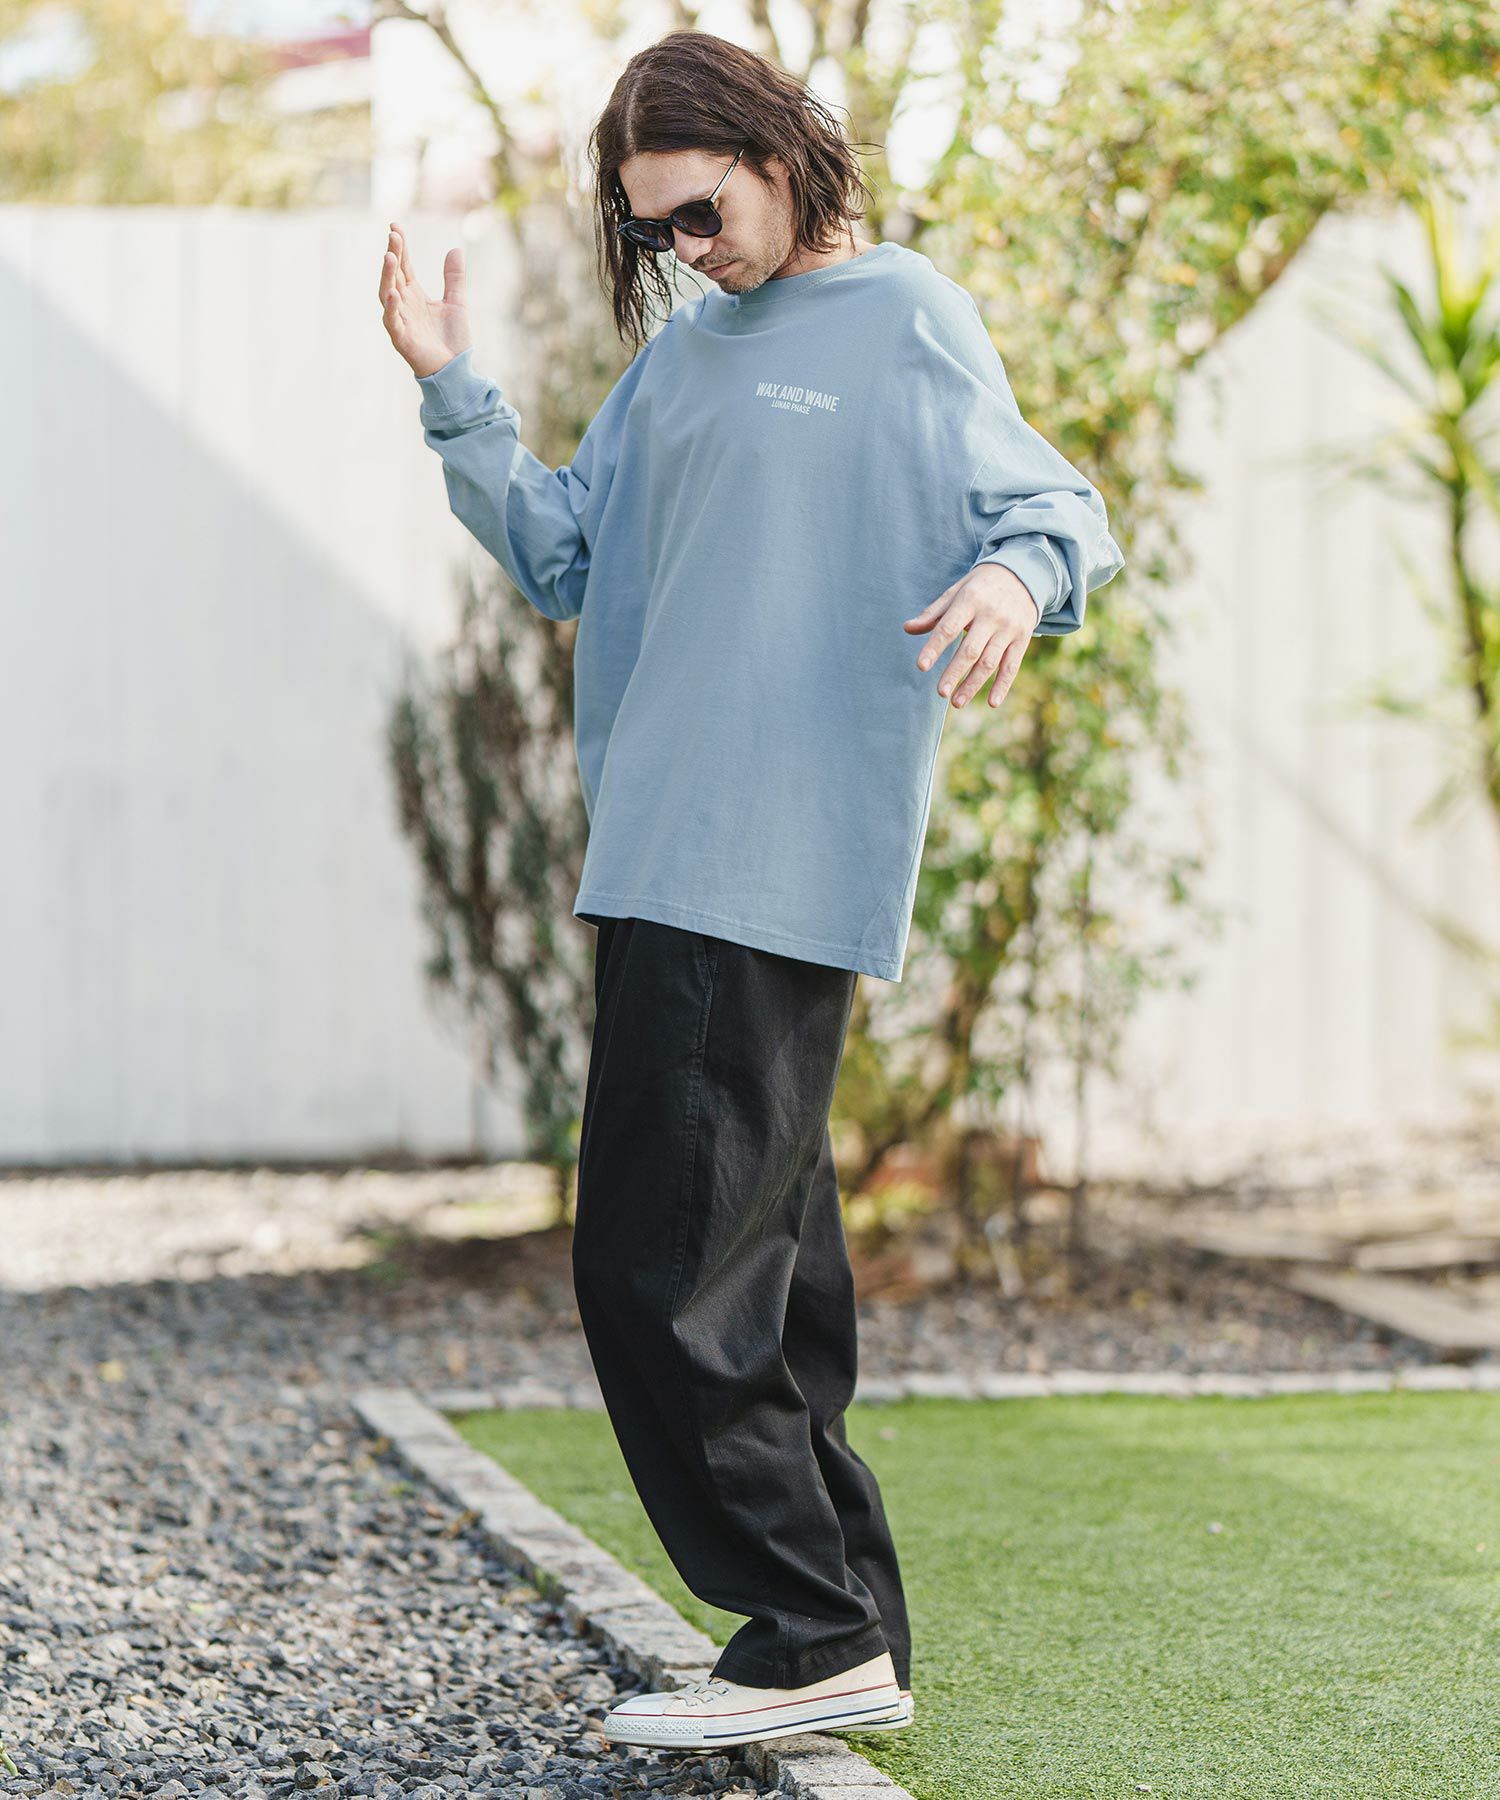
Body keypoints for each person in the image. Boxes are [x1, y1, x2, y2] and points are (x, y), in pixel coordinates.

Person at [379, 27, 1124, 1756]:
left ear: (780, 157)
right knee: (767, 1277)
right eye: (650, 229)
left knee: (658, 1264)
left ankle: (804, 1630)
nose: (682, 250)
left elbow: (1058, 507)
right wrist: (449, 383)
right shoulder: (686, 359)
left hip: (769, 862)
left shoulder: (902, 317)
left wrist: (1017, 578)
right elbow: (562, 549)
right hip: (659, 851)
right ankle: (844, 1626)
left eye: (700, 212)